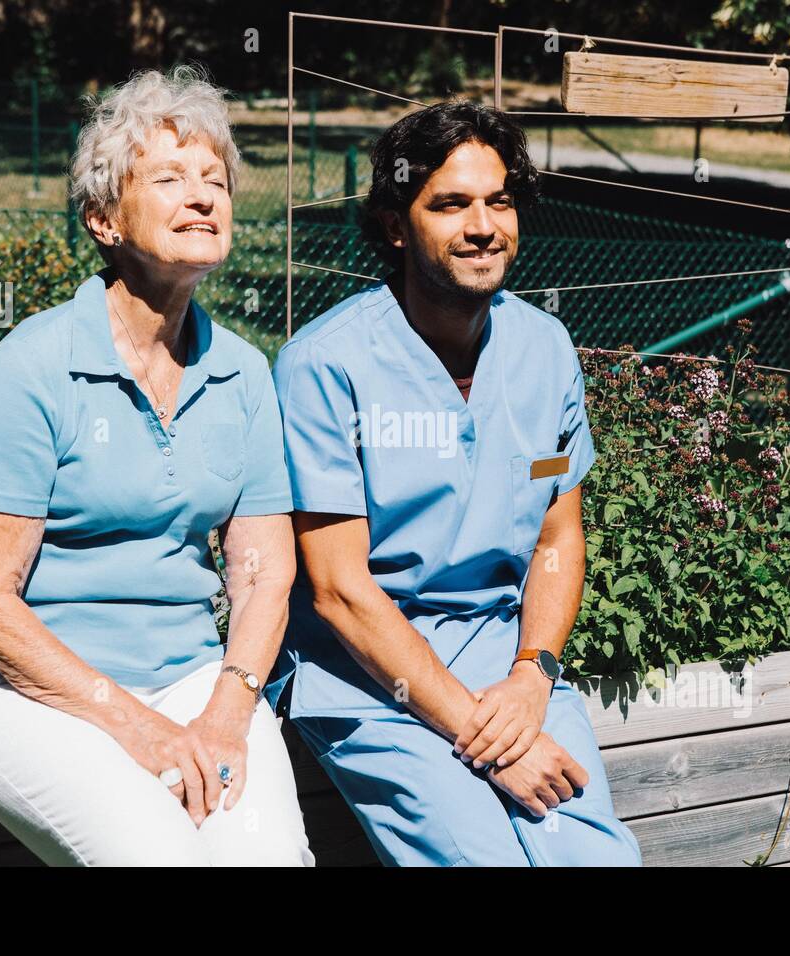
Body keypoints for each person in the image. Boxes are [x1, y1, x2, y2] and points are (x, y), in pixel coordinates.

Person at [0, 64, 314, 866]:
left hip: (189, 682)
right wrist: (132, 723)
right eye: (170, 178)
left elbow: (262, 575)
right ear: (104, 219)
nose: (204, 196)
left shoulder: (243, 373)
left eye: (215, 180)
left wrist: (226, 709)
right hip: (20, 694)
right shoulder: (35, 364)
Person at [268, 100, 642, 866]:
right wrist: (486, 737)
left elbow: (556, 537)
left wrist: (533, 675)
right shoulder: (326, 365)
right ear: (397, 225)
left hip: (505, 666)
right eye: (451, 205)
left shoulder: (543, 348)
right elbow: (339, 591)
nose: (483, 226)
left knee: (596, 860)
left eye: (498, 201)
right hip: (371, 683)